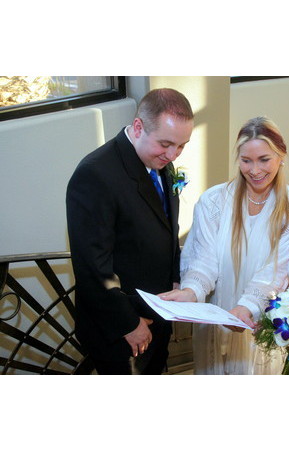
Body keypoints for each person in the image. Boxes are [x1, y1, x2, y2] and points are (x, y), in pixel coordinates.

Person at [160, 117, 289, 374]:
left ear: (281, 156)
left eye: (264, 159)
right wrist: (191, 291)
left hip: (259, 319)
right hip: (215, 317)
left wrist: (247, 307)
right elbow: (203, 259)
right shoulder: (213, 201)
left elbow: (277, 271)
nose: (254, 170)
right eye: (246, 160)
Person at [66, 88, 194, 375]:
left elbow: (167, 229)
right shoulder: (95, 174)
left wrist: (175, 279)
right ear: (138, 127)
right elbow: (92, 266)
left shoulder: (160, 162)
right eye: (165, 144)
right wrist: (128, 324)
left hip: (158, 311)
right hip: (119, 327)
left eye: (181, 146)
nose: (172, 154)